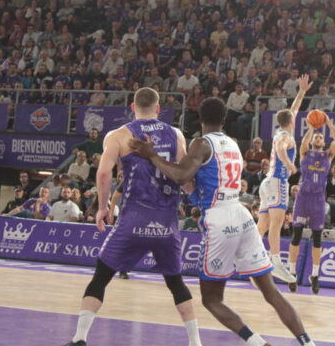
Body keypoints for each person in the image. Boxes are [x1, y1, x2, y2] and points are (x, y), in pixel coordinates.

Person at [129, 97, 318, 346]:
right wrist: (190, 186)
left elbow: (181, 176)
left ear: (200, 118)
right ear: (225, 119)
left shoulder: (201, 143)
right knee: (270, 291)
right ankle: (307, 342)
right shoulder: (233, 144)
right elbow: (202, 181)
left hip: (219, 219)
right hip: (241, 214)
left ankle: (258, 343)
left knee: (212, 299)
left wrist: (152, 155)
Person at [63, 88, 202, 346]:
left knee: (101, 276)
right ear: (158, 108)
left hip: (134, 218)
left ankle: (79, 337)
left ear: (132, 106)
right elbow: (185, 178)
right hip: (166, 222)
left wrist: (102, 208)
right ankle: (195, 342)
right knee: (175, 282)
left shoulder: (119, 135)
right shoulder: (176, 134)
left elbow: (103, 173)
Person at [257, 74, 312, 284]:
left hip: (266, 182)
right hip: (278, 181)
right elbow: (281, 149)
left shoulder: (280, 130)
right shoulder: (286, 137)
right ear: (291, 122)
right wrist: (289, 164)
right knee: (277, 223)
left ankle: (248, 255)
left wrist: (302, 92)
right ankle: (276, 262)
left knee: (263, 225)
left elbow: (294, 109)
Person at [287, 117, 335, 294]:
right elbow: (303, 142)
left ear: (324, 142)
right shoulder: (305, 153)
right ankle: (292, 273)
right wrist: (311, 128)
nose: (318, 138)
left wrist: (329, 123)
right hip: (303, 197)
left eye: (320, 137)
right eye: (316, 137)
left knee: (317, 238)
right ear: (312, 141)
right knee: (296, 236)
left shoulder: (328, 156)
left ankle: (315, 276)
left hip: (318, 199)